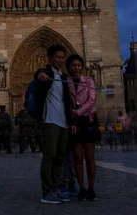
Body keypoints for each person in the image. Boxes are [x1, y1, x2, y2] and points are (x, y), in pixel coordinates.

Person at [34, 44, 73, 204]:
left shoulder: (64, 77)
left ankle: (57, 188)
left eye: (62, 57)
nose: (60, 60)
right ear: (49, 59)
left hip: (64, 121)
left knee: (60, 157)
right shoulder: (46, 74)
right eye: (57, 57)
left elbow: (68, 100)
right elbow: (37, 75)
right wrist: (39, 74)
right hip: (50, 120)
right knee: (49, 156)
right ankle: (47, 191)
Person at [67, 54, 99, 201]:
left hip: (87, 120)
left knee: (90, 157)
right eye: (73, 65)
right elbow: (63, 99)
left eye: (79, 65)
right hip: (74, 122)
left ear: (82, 66)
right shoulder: (65, 82)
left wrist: (77, 112)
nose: (76, 67)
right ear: (69, 67)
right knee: (78, 157)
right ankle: (81, 188)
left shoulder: (89, 80)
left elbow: (92, 99)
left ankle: (91, 188)